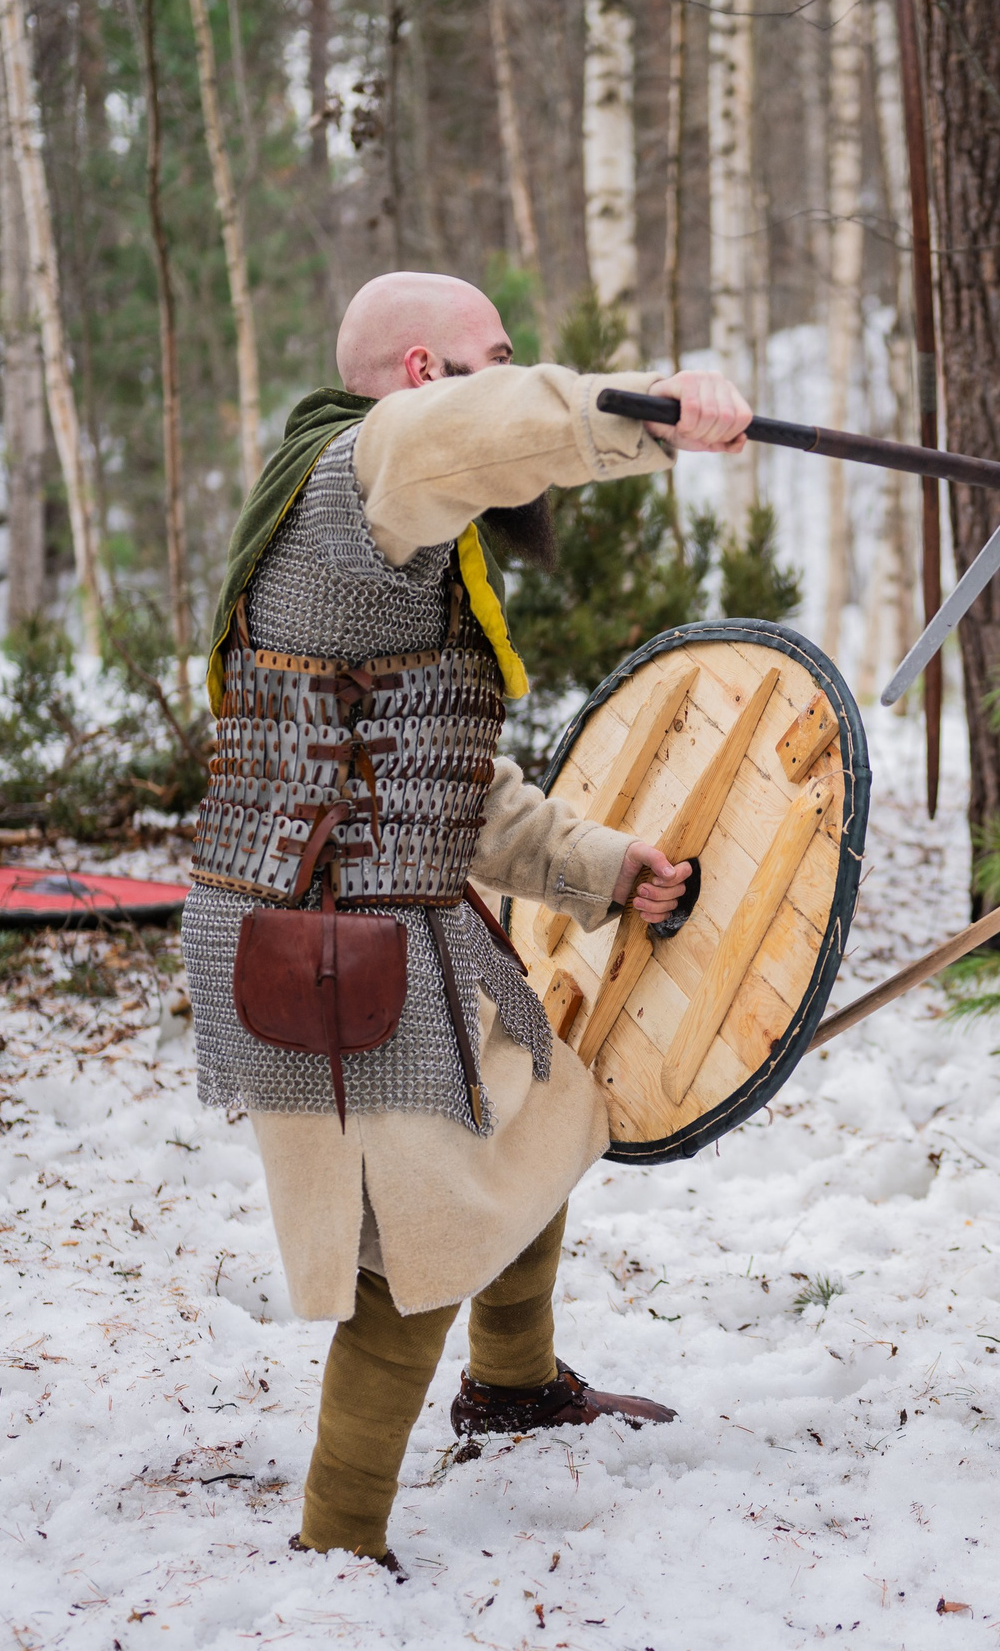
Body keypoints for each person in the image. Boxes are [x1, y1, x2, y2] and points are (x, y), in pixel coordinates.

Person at [180, 272, 754, 1569]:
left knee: (538, 1110)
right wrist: (656, 415)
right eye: (496, 359)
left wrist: (600, 867)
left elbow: (443, 774)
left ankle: (514, 1380)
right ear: (428, 373)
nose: (515, 374)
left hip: (368, 910)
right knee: (410, 1247)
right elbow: (485, 432)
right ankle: (338, 1540)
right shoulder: (369, 463)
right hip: (334, 946)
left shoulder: (374, 541)